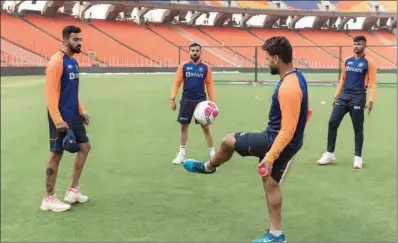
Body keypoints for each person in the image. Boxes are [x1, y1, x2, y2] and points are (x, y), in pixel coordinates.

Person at [182, 37, 311, 242]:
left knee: (227, 141)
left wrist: (269, 158)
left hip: (275, 139)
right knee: (271, 183)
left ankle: (208, 166)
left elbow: (286, 131)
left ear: (276, 58)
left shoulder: (289, 87)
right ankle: (277, 235)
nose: (266, 62)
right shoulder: (297, 77)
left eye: (268, 58)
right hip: (288, 140)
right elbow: (306, 110)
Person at [40, 25, 91, 212]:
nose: (79, 43)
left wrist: (82, 109)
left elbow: (72, 91)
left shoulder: (73, 62)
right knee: (56, 153)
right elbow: (51, 93)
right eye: (75, 40)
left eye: (80, 39)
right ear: (65, 40)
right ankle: (49, 198)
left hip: (73, 114)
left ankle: (73, 191)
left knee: (85, 147)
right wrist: (57, 119)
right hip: (60, 117)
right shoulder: (57, 61)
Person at [317, 36, 376, 169]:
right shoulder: (347, 61)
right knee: (332, 122)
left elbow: (373, 82)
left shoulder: (369, 62)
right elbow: (343, 80)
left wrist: (371, 99)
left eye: (359, 44)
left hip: (358, 96)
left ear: (365, 46)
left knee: (358, 128)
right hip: (344, 96)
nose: (356, 46)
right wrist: (336, 96)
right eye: (354, 44)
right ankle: (329, 153)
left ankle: (357, 157)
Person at [170, 42, 216, 165]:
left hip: (201, 102)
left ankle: (213, 154)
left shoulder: (205, 68)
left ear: (200, 52)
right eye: (192, 51)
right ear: (189, 52)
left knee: (205, 128)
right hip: (186, 101)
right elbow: (177, 82)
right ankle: (181, 154)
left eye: (197, 51)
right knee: (183, 127)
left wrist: (212, 102)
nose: (194, 53)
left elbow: (209, 84)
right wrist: (172, 98)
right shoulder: (184, 66)